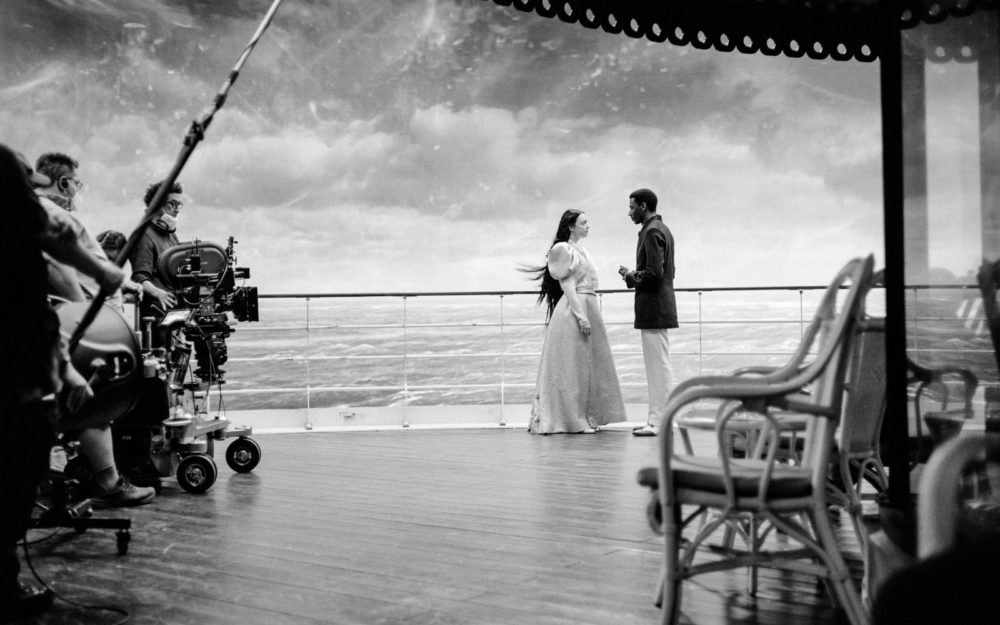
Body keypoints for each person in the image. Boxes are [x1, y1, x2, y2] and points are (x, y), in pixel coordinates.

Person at [0, 144, 127, 618]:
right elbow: (54, 240)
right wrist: (104, 272)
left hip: (29, 365)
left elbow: (31, 302)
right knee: (14, 473)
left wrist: (65, 367)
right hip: (17, 385)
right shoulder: (8, 184)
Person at [34, 152, 154, 508]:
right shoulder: (52, 215)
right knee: (95, 401)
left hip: (41, 327)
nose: (77, 190)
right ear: (66, 182)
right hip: (64, 327)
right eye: (77, 183)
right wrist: (85, 306)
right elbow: (59, 266)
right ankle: (109, 482)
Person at [525, 210, 626, 434]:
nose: (588, 226)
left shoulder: (582, 250)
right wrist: (581, 317)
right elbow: (568, 286)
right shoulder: (564, 250)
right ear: (571, 226)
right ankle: (574, 419)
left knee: (586, 365)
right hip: (575, 309)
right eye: (583, 222)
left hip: (587, 305)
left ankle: (586, 416)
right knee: (574, 366)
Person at [618, 188, 678, 437]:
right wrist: (634, 273)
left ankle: (659, 421)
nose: (629, 212)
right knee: (659, 365)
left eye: (632, 207)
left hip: (653, 306)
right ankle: (660, 419)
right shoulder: (661, 229)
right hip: (659, 306)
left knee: (657, 366)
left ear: (643, 206)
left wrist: (632, 276)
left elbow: (654, 274)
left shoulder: (652, 231)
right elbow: (663, 270)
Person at [129, 180, 182, 315]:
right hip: (156, 315)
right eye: (172, 204)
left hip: (173, 313)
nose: (176, 210)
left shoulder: (171, 236)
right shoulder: (143, 236)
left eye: (179, 205)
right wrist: (159, 293)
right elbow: (139, 278)